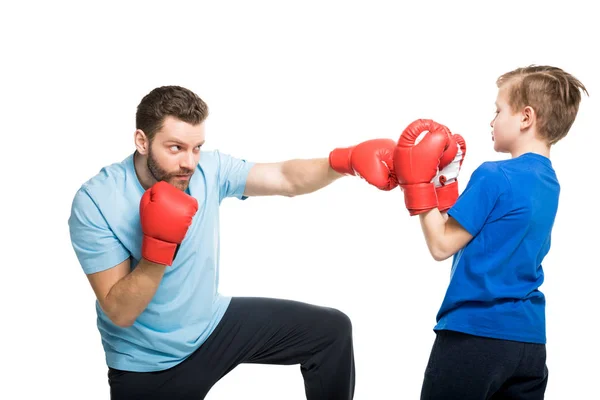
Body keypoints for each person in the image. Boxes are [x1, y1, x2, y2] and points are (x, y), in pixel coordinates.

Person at [67, 85, 397, 400]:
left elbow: (285, 177)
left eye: (196, 147)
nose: (189, 163)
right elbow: (120, 312)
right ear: (142, 141)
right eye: (176, 148)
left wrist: (345, 162)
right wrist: (158, 250)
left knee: (331, 332)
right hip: (148, 364)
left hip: (211, 326)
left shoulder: (208, 168)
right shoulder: (97, 200)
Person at [392, 65, 588, 399]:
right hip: (528, 344)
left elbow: (442, 244)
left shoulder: (494, 175)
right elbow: (480, 229)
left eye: (499, 110)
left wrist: (417, 183)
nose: (492, 120)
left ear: (526, 117)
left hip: (475, 336)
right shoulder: (548, 182)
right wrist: (447, 183)